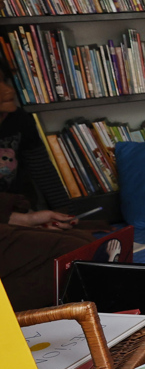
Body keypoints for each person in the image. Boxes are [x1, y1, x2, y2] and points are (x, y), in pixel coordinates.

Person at [0, 76, 97, 310]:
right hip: (8, 218)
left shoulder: (19, 120)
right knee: (69, 255)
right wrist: (24, 220)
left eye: (5, 80)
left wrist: (66, 216)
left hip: (13, 212)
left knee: (85, 244)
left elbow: (43, 171)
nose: (7, 90)